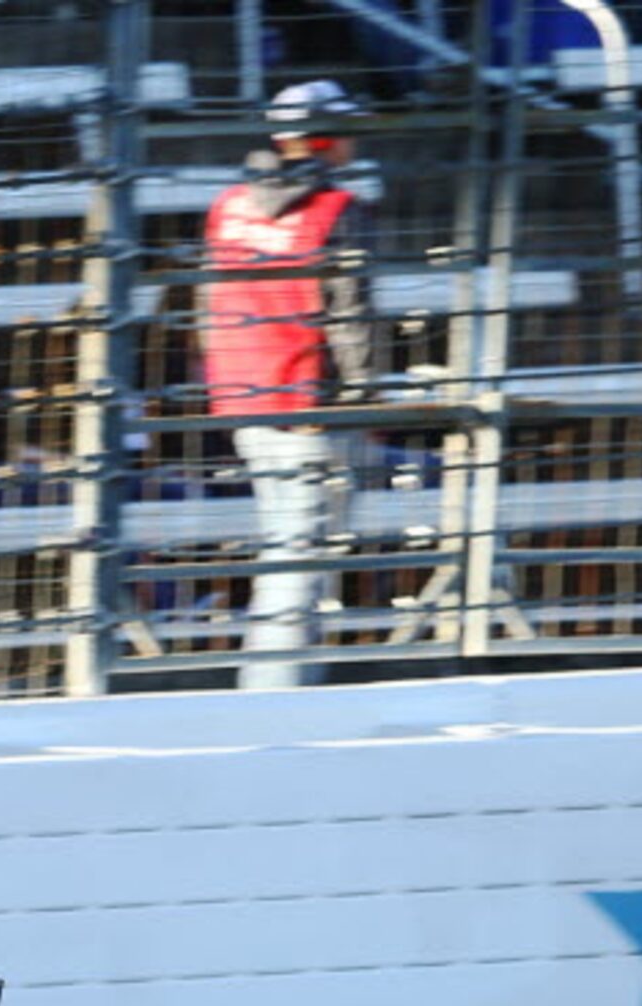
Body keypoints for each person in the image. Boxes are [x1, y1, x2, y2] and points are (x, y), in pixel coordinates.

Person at [199, 78, 378, 691]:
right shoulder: (338, 211)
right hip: (310, 405)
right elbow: (350, 316)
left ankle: (282, 685)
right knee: (301, 559)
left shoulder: (228, 206)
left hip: (245, 399)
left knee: (286, 548)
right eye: (348, 129)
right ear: (325, 139)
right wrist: (364, 394)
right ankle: (274, 696)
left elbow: (209, 304)